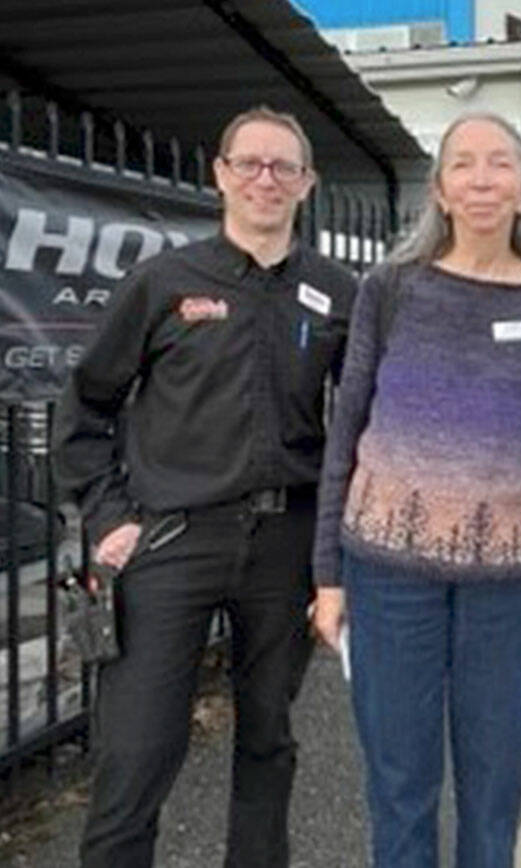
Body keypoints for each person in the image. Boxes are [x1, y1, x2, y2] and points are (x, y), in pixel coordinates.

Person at [310, 111, 521, 868]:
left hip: (506, 592)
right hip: (386, 576)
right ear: (441, 191)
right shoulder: (390, 289)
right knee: (399, 784)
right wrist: (327, 574)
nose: (482, 179)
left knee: (492, 790)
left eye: (500, 164)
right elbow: (345, 432)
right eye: (463, 165)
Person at [53, 106, 357, 867]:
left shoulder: (336, 292)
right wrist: (107, 515)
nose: (266, 178)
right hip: (171, 541)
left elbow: (366, 420)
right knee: (138, 751)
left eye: (283, 166)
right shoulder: (162, 282)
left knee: (269, 740)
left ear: (307, 183)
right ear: (220, 174)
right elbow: (86, 405)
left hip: (285, 543)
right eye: (249, 163)